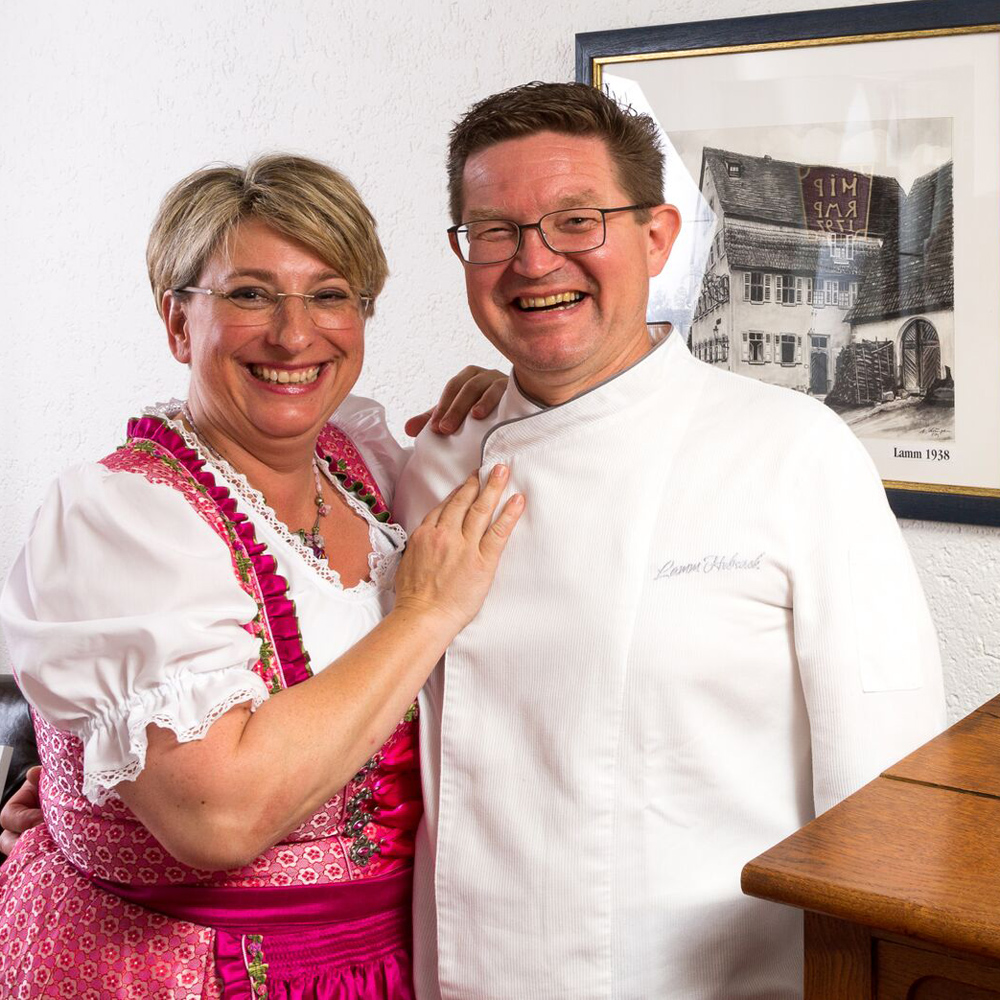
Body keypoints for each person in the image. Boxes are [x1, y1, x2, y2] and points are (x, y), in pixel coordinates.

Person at [392, 82, 947, 999]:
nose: (534, 261)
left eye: (578, 221)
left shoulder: (796, 453)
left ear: (657, 237)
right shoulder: (437, 460)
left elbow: (887, 807)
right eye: (494, 231)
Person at [0, 153, 523, 998]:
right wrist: (422, 614)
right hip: (180, 973)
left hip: (387, 963)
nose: (294, 334)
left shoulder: (366, 465)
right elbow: (218, 819)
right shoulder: (120, 516)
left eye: (330, 295)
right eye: (250, 294)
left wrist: (515, 400)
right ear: (178, 323)